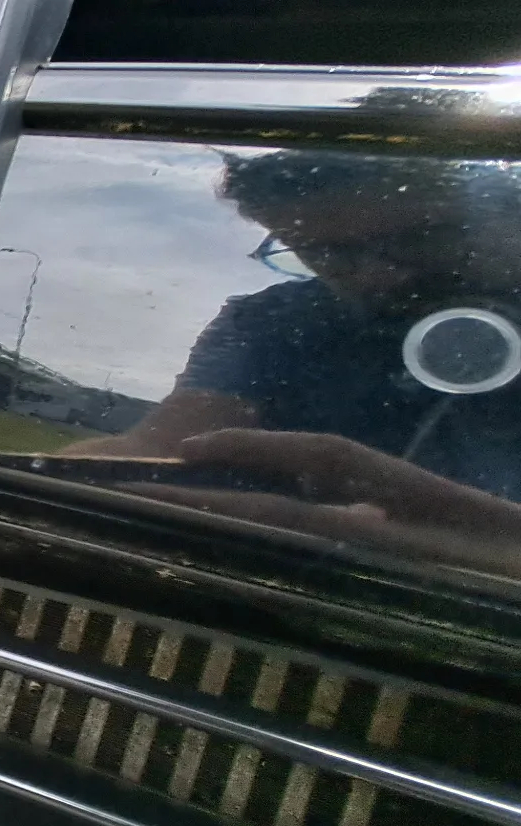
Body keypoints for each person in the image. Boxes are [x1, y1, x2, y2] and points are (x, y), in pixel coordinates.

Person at [66, 146, 521, 576]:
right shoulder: (275, 320)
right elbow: (161, 447)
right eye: (325, 253)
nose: (377, 275)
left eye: (422, 238)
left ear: (508, 213)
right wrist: (54, 476)